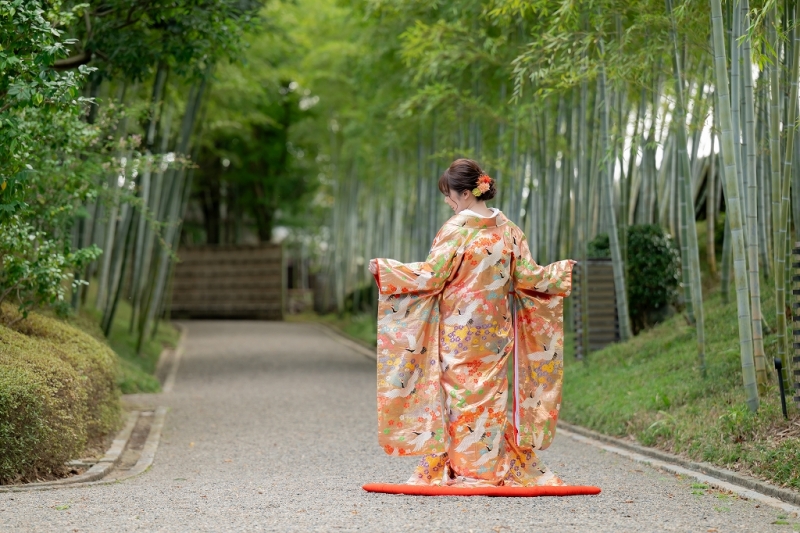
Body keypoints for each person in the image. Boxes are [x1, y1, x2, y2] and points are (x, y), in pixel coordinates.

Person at [368, 158, 575, 487]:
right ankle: (489, 468)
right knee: (491, 399)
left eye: (449, 195)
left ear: (466, 194)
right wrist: (561, 272)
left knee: (459, 400)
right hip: (495, 332)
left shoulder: (455, 231)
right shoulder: (509, 231)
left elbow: (432, 276)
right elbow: (528, 278)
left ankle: (465, 470)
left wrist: (386, 269)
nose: (447, 202)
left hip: (459, 333)